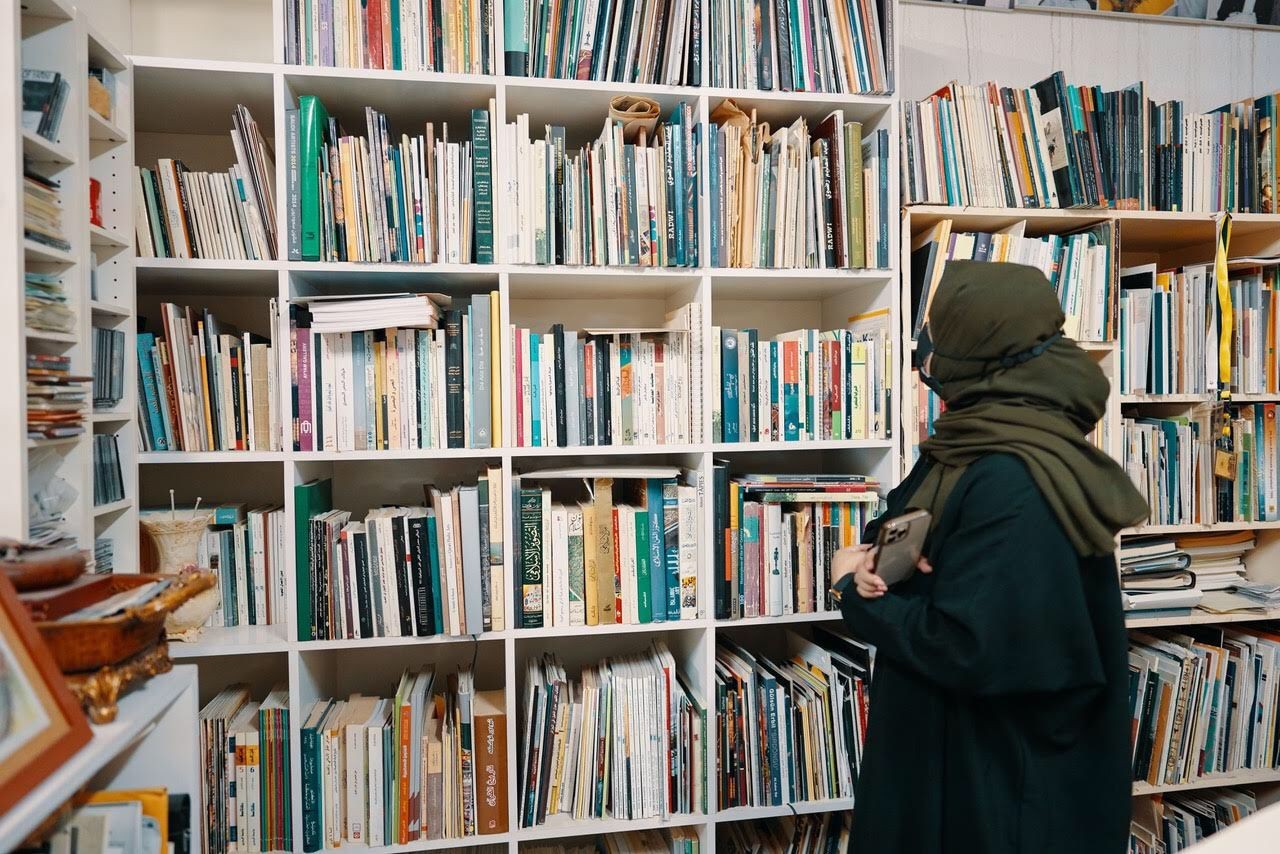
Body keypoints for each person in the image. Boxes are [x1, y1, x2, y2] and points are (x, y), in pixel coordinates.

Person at [829, 261, 1149, 854]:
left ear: (976, 347)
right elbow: (915, 512)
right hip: (956, 755)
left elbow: (967, 646)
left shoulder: (1014, 473)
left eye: (941, 332)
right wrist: (880, 552)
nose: (929, 351)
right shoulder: (981, 433)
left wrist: (853, 589)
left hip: (998, 787)